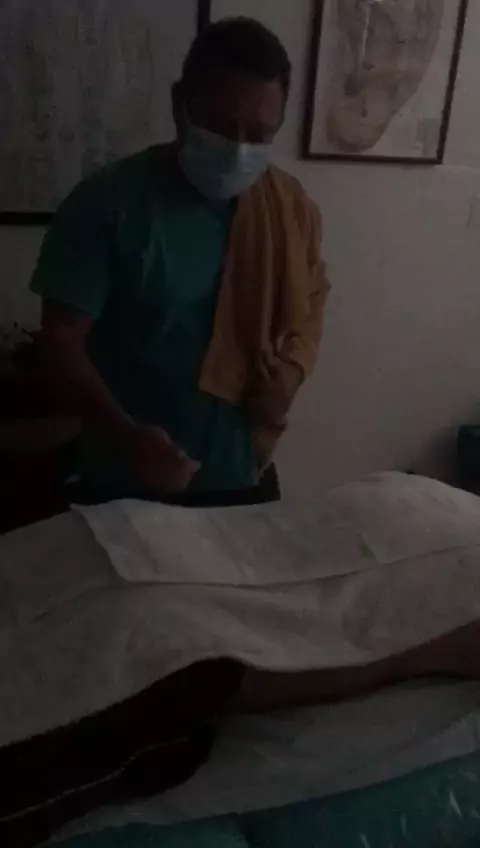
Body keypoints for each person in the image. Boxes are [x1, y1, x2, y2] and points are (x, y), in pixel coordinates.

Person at [31, 17, 329, 508]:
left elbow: (311, 305)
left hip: (245, 476)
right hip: (125, 487)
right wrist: (124, 436)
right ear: (180, 105)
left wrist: (292, 372)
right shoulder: (107, 204)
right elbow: (60, 345)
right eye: (222, 126)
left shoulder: (290, 209)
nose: (239, 150)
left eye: (259, 134)